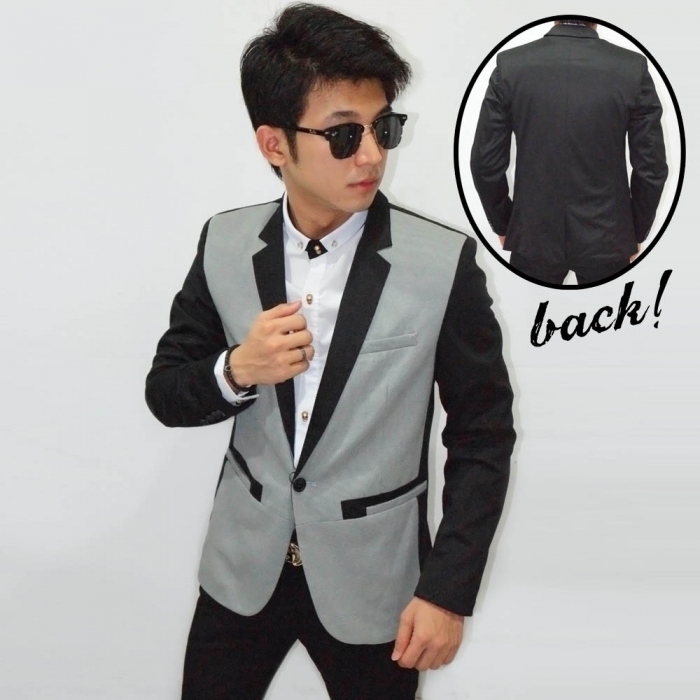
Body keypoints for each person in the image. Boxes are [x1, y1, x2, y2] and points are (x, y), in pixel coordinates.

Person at [145, 4, 515, 698]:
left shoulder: (442, 265)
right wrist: (237, 370)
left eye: (384, 128)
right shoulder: (224, 243)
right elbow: (166, 392)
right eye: (345, 135)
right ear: (274, 144)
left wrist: (447, 591)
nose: (372, 154)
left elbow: (483, 434)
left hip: (377, 585)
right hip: (242, 573)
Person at [470, 19, 669, 285]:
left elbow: (485, 164)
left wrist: (505, 224)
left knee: (535, 313)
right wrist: (634, 232)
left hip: (533, 234)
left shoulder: (511, 65)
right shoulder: (631, 67)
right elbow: (651, 167)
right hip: (607, 236)